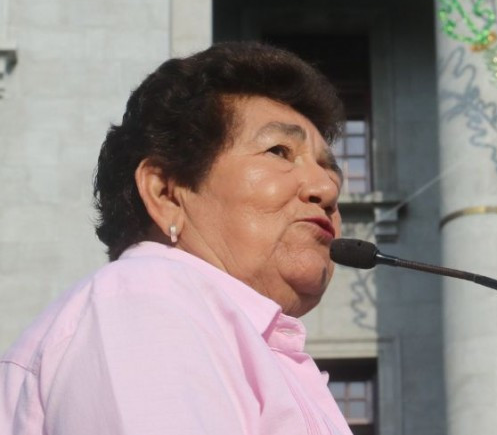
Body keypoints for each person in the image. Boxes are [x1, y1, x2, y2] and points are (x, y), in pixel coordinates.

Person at [0, 42, 353, 434]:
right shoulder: (144, 301)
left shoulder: (242, 338)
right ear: (166, 193)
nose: (327, 187)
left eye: (328, 167)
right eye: (279, 152)